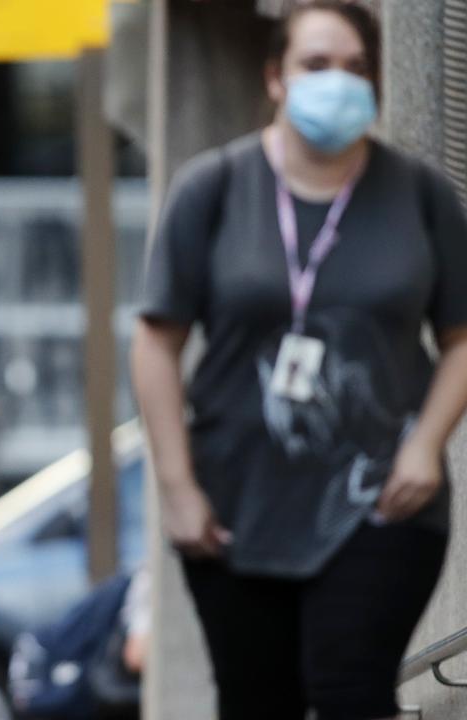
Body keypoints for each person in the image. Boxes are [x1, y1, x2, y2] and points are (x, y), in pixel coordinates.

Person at [132, 2, 467, 718]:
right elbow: (157, 343)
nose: (336, 83)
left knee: (351, 687)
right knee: (258, 700)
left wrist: (428, 447)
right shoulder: (213, 189)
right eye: (316, 65)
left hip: (379, 499)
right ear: (276, 77)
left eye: (354, 68)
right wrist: (177, 485)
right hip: (237, 505)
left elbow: (463, 337)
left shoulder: (420, 196)